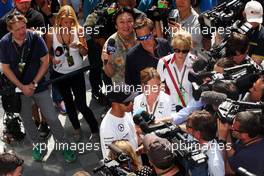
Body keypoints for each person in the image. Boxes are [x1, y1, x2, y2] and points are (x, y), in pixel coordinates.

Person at [0, 13, 76, 162]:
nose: (22, 32)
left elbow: (45, 60)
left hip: (39, 85)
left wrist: (34, 83)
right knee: (27, 120)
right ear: (10, 30)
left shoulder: (35, 38)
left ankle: (65, 146)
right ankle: (39, 146)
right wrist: (22, 86)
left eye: (23, 27)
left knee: (52, 118)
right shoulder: (4, 43)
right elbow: (6, 68)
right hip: (19, 90)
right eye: (17, 29)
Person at [46, 5, 99, 141]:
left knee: (81, 104)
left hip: (76, 72)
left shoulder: (79, 30)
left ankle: (94, 128)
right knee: (68, 103)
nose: (69, 25)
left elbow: (85, 52)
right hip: (60, 74)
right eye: (65, 22)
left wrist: (81, 46)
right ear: (59, 20)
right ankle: (76, 128)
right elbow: (47, 53)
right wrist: (53, 60)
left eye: (71, 21)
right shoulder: (51, 33)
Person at [125, 16, 172, 88]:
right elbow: (130, 84)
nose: (145, 41)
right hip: (148, 95)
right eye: (140, 38)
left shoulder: (164, 44)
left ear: (154, 32)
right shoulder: (131, 56)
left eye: (147, 36)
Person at [157, 30, 195, 112]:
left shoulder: (195, 62)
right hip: (171, 110)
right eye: (177, 50)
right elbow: (160, 86)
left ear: (189, 49)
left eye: (185, 51)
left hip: (191, 110)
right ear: (173, 47)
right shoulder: (163, 63)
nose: (180, 54)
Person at [218, 111, 264, 175]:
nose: (231, 127)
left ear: (245, 134)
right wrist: (226, 133)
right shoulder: (251, 140)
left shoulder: (248, 155)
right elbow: (233, 154)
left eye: (234, 128)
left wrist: (222, 139)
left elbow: (226, 170)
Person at [101, 7, 137, 85]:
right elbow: (109, 74)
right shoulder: (110, 44)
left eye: (129, 21)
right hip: (123, 89)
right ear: (116, 26)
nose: (126, 25)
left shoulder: (141, 36)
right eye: (121, 22)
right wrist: (107, 61)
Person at [100, 90, 138, 159]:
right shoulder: (107, 129)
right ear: (115, 104)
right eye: (127, 102)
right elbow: (111, 156)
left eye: (131, 100)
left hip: (136, 158)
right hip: (128, 166)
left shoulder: (127, 112)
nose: (131, 103)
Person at [186, 110, 225, 176]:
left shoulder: (214, 162)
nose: (186, 127)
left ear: (198, 133)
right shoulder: (200, 140)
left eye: (188, 126)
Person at [244, 1, 264, 65]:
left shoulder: (262, 35)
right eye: (251, 19)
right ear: (244, 14)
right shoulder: (235, 27)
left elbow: (255, 63)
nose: (254, 23)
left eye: (256, 19)